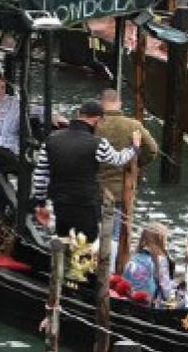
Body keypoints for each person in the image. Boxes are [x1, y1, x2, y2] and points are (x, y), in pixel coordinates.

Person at [32, 102, 140, 241]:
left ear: (78, 114)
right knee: (86, 246)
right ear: (98, 120)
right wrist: (134, 147)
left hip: (60, 203)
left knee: (64, 240)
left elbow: (40, 177)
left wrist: (41, 205)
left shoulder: (50, 141)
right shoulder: (98, 143)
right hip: (86, 203)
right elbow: (118, 159)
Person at [96, 88, 158, 266]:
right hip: (121, 190)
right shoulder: (133, 126)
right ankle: (111, 271)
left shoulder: (94, 125)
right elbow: (152, 150)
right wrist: (135, 166)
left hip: (95, 189)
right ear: (119, 103)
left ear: (101, 103)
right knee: (115, 236)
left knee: (92, 233)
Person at [122, 222, 176, 306]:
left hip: (128, 303)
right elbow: (166, 293)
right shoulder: (161, 261)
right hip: (148, 307)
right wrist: (173, 284)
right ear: (161, 242)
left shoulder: (133, 257)